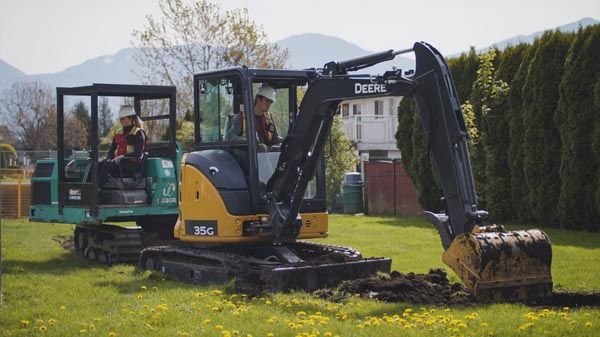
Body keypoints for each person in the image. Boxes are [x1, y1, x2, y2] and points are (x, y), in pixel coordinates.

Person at [99, 105, 147, 187]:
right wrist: (109, 159)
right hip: (118, 163)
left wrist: (121, 157)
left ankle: (98, 189)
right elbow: (111, 150)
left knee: (108, 165)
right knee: (98, 164)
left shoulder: (138, 133)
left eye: (122, 118)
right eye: (120, 118)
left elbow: (138, 154)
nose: (120, 121)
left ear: (130, 119)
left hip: (131, 165)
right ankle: (90, 187)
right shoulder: (118, 132)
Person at [224, 85, 281, 150]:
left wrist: (282, 141)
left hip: (266, 155)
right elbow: (230, 137)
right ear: (258, 99)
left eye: (271, 102)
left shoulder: (269, 118)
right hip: (248, 154)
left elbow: (275, 137)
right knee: (262, 147)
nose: (269, 104)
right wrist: (248, 141)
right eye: (267, 101)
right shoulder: (242, 117)